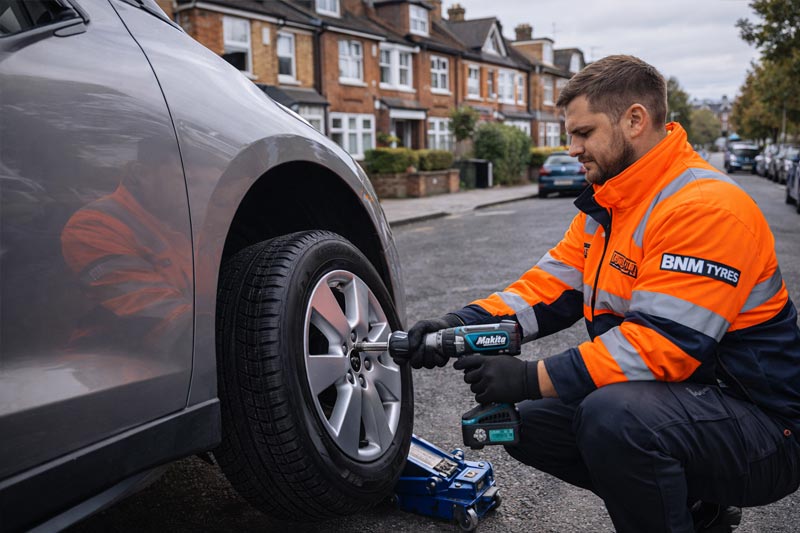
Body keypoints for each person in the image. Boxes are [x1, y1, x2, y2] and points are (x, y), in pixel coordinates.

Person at [396, 55, 800, 532]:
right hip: (690, 402)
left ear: (634, 120)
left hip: (766, 429)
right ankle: (695, 508)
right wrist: (457, 325)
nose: (572, 149)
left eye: (583, 133)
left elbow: (661, 346)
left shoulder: (705, 208)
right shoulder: (611, 205)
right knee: (523, 424)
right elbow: (546, 289)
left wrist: (530, 376)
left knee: (614, 418)